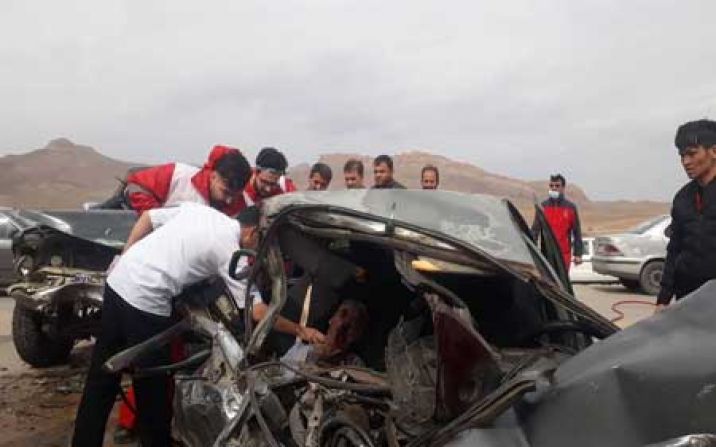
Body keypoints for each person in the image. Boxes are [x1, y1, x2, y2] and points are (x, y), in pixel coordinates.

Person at [71, 203, 324, 447]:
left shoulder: (202, 212)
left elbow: (148, 217)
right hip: (146, 301)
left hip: (119, 281)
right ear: (252, 233)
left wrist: (127, 256)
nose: (257, 253)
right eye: (261, 244)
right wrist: (301, 330)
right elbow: (257, 311)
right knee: (153, 389)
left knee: (102, 377)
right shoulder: (230, 252)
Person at [656, 119, 716, 311]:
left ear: (713, 151)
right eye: (682, 155)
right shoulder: (682, 198)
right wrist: (663, 299)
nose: (685, 162)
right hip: (688, 301)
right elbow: (674, 250)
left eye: (692, 153)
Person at [118, 145, 251, 217]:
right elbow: (136, 185)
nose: (229, 201)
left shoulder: (242, 206)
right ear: (214, 176)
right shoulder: (178, 174)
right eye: (226, 192)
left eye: (234, 196)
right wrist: (157, 218)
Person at [531, 174, 583, 271]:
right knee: (548, 282)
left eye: (557, 186)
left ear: (563, 188)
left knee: (562, 281)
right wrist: (530, 250)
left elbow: (577, 232)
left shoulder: (570, 208)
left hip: (564, 253)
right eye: (551, 186)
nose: (554, 188)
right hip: (546, 253)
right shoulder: (543, 207)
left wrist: (578, 254)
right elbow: (535, 230)